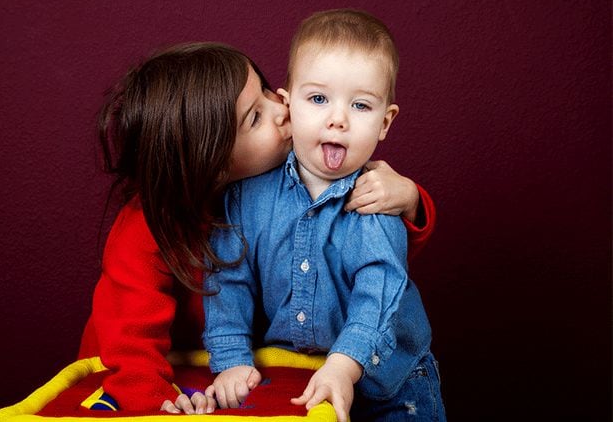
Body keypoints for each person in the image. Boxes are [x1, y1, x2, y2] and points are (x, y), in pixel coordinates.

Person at [77, 41, 437, 415]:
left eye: (266, 90)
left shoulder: (290, 176)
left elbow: (367, 256)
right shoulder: (147, 225)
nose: (282, 108)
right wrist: (152, 400)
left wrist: (408, 200)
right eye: (255, 117)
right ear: (211, 162)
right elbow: (128, 337)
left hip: (244, 372)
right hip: (146, 374)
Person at [203, 10, 445, 422]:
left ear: (385, 122)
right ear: (287, 104)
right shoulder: (248, 195)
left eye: (361, 105)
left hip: (390, 384)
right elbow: (228, 276)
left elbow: (379, 288)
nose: (338, 118)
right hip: (296, 376)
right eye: (318, 99)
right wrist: (230, 358)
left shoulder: (375, 197)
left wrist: (343, 364)